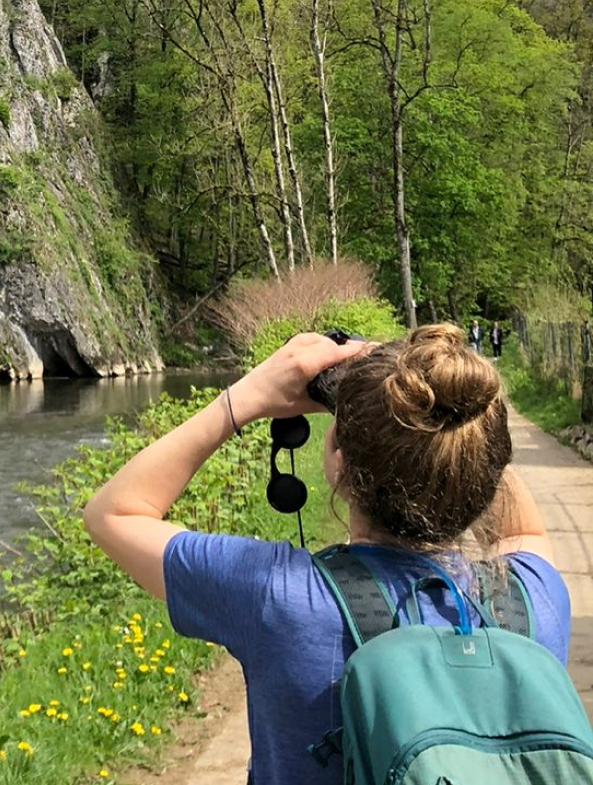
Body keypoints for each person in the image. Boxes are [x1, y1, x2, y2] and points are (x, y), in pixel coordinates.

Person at [83, 326, 567, 785]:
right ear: (485, 467)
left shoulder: (279, 599)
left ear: (337, 460)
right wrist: (439, 400)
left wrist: (244, 398)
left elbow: (114, 514)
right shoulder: (531, 603)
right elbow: (520, 525)